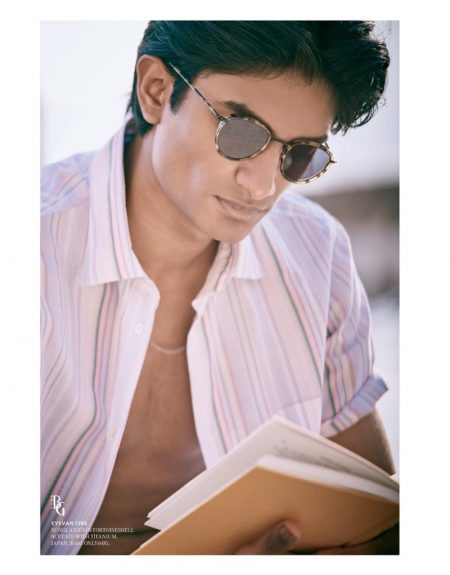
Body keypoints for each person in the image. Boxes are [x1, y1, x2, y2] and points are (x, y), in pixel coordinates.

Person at [41, 21, 397, 555]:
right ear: (156, 91)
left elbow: (380, 526)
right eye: (241, 133)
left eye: (300, 155)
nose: (262, 186)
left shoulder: (316, 255)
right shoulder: (32, 250)